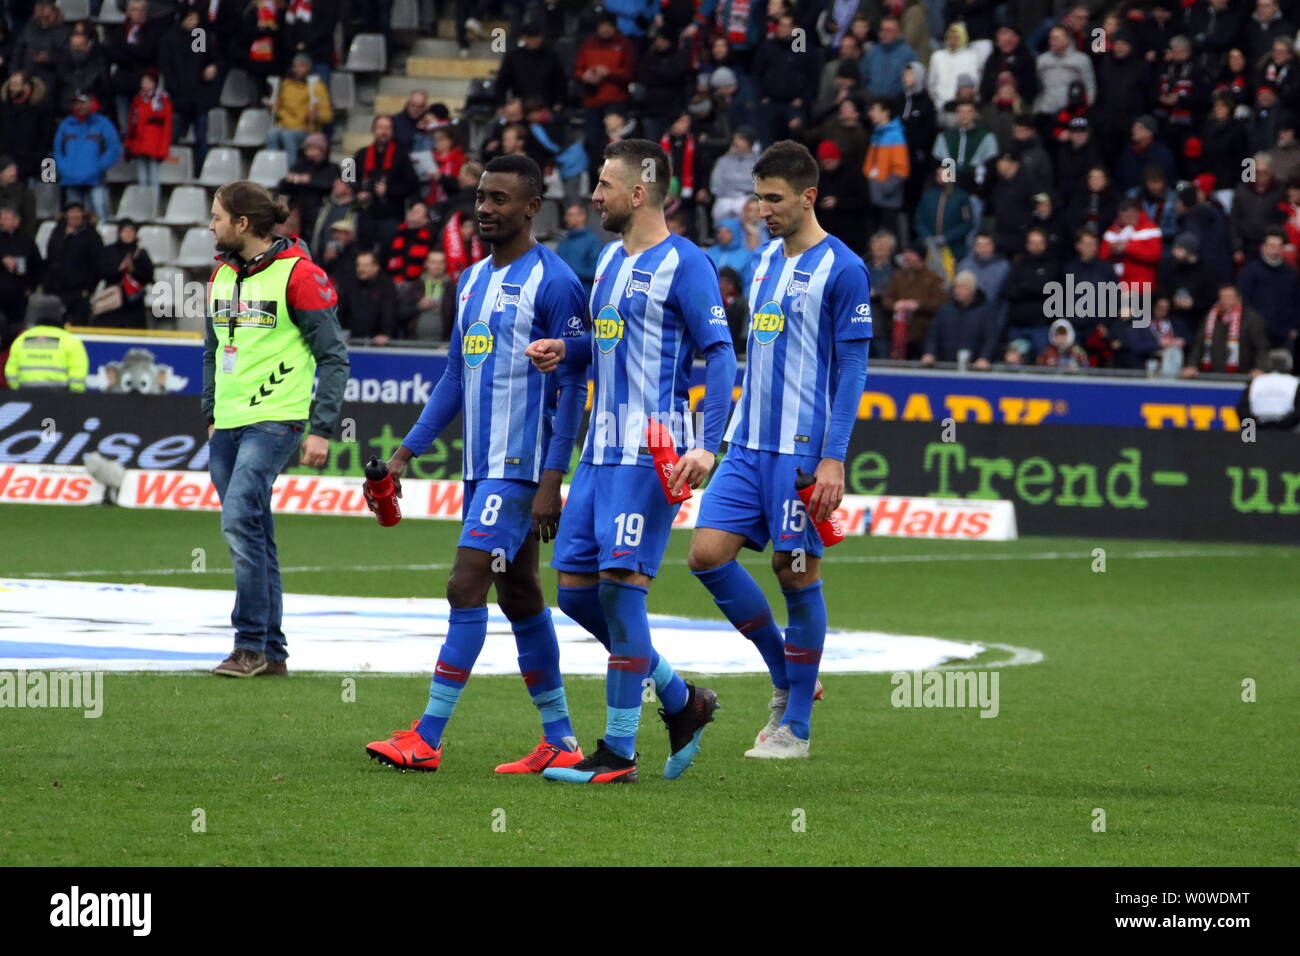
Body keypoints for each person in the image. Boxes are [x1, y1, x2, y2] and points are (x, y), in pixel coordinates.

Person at [363, 153, 591, 776]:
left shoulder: (557, 281)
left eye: (499, 199)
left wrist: (551, 479)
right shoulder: (468, 281)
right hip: (478, 466)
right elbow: (452, 379)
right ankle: (562, 740)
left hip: (518, 469)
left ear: (531, 208)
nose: (485, 208)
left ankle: (428, 737)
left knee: (465, 585)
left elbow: (575, 381)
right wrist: (407, 453)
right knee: (520, 597)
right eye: (481, 197)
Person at [526, 138, 736, 784]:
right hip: (599, 455)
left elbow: (721, 355)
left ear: (639, 193)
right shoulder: (611, 263)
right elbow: (605, 343)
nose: (594, 196)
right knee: (576, 595)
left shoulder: (688, 264)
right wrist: (569, 350)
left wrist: (706, 442)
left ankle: (618, 752)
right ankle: (681, 699)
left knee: (621, 594)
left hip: (652, 455)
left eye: (605, 186)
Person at [684, 140, 869, 758]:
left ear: (807, 197)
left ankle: (794, 727)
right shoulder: (763, 262)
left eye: (774, 198)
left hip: (798, 451)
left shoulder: (843, 268)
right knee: (707, 555)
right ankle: (790, 675)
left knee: (795, 573)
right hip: (745, 441)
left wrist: (833, 457)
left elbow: (852, 368)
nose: (761, 209)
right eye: (757, 197)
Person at [203, 181, 349, 677]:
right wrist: (210, 414)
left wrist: (321, 427)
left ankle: (248, 645)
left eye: (217, 216)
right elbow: (211, 350)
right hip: (227, 422)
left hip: (276, 419)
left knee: (238, 518)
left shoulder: (300, 275)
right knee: (255, 532)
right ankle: (271, 653)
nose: (211, 225)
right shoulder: (220, 274)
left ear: (243, 224)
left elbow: (334, 356)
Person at [52, 92, 122, 223]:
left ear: (91, 102)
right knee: (73, 220)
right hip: (71, 180)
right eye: (77, 103)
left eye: (83, 102)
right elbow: (57, 150)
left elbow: (114, 148)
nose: (80, 106)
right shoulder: (65, 125)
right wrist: (64, 168)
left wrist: (98, 167)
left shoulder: (102, 123)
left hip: (95, 180)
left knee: (99, 218)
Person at [1182, 284, 1270, 377]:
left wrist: (1260, 368)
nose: (1224, 301)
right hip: (1211, 374)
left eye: (1228, 297)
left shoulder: (1251, 318)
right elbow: (1199, 344)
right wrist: (1191, 365)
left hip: (1243, 374)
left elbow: (1261, 347)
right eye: (1222, 298)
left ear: (1238, 299)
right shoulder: (1211, 317)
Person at [921, 270, 1000, 368]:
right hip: (945, 364)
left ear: (971, 290)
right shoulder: (945, 310)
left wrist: (985, 357)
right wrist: (930, 352)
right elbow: (933, 335)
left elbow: (991, 338)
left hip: (975, 366)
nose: (957, 290)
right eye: (956, 287)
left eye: (962, 287)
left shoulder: (986, 312)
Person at [42, 203, 103, 326]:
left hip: (79, 292)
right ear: (66, 214)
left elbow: (97, 263)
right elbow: (50, 258)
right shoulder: (56, 232)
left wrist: (88, 289)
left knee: (79, 326)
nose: (75, 215)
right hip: (55, 290)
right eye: (72, 211)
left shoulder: (91, 235)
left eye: (78, 211)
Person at [266, 52, 333, 158]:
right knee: (271, 134)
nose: (297, 69)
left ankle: (291, 170)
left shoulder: (317, 87)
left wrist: (317, 115)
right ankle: (272, 165)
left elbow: (328, 116)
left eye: (301, 66)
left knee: (287, 136)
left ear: (308, 68)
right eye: (295, 66)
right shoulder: (286, 84)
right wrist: (273, 107)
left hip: (305, 128)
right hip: (284, 125)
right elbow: (278, 106)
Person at [124, 71, 173, 209]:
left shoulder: (162, 100)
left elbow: (166, 126)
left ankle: (153, 208)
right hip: (139, 145)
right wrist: (129, 144)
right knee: (142, 180)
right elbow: (131, 124)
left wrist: (163, 148)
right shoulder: (138, 99)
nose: (144, 84)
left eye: (147, 81)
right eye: (143, 81)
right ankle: (142, 207)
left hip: (154, 146)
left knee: (153, 179)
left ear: (154, 83)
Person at [4, 310, 88, 389]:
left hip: (25, 392)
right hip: (60, 395)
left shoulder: (22, 338)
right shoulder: (70, 340)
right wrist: (74, 394)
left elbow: (11, 369)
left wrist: (16, 389)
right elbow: (78, 370)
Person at [95, 218, 154, 329]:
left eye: (131, 231)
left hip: (134, 303)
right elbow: (101, 272)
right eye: (125, 231)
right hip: (113, 303)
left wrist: (133, 271)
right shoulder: (109, 251)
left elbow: (149, 276)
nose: (128, 234)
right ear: (119, 233)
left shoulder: (141, 253)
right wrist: (120, 269)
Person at [0, 205, 42, 344]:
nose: (2, 221)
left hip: (19, 295)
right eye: (1, 218)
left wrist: (31, 287)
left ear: (16, 221)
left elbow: (37, 265)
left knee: (16, 329)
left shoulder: (27, 240)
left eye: (6, 218)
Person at [339, 249, 397, 345]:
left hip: (378, 343)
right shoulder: (350, 284)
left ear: (376, 267)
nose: (361, 269)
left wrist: (386, 333)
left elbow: (389, 312)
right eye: (359, 265)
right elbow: (341, 310)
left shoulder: (386, 286)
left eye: (365, 265)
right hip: (352, 340)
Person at [396, 250, 456, 341]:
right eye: (433, 262)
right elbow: (400, 314)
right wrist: (418, 306)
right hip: (413, 343)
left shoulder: (453, 289)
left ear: (446, 264)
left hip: (443, 345)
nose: (437, 266)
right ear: (426, 264)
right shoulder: (414, 287)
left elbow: (459, 320)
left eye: (441, 262)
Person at [1236, 348, 1300, 429]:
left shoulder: (1255, 382)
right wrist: (1281, 426)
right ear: (1289, 365)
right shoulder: (1295, 382)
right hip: (1287, 432)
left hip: (1258, 432)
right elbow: (1298, 412)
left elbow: (1242, 410)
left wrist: (1258, 425)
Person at [554, 202, 600, 295]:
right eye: (566, 215)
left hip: (582, 296)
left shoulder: (593, 242)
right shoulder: (564, 241)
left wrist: (570, 270)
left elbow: (597, 273)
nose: (566, 218)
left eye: (570, 215)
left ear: (582, 217)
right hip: (561, 295)